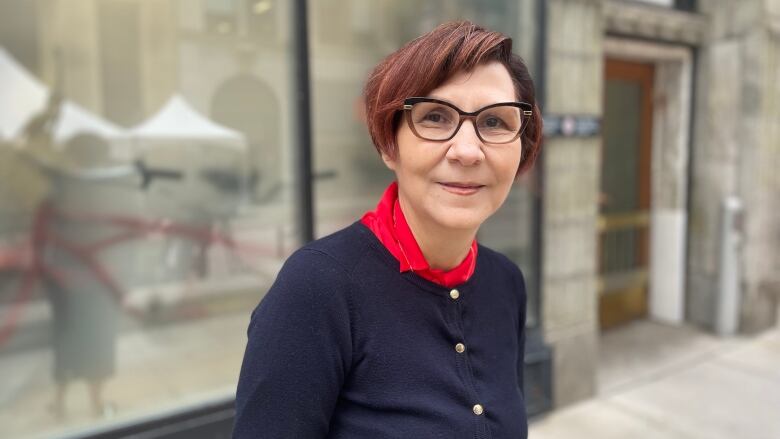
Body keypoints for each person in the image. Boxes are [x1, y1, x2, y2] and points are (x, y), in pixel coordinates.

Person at [234, 21, 542, 438]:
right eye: (435, 116)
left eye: (495, 123)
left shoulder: (506, 282)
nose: (468, 151)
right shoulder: (317, 289)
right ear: (388, 144)